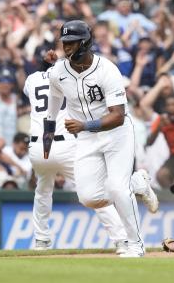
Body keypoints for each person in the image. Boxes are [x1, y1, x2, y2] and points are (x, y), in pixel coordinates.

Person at [43, 20, 155, 257]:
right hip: (86, 138)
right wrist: (48, 133)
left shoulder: (107, 70)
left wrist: (84, 125)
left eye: (71, 43)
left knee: (116, 187)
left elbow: (118, 117)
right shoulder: (58, 71)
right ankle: (136, 184)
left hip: (116, 134)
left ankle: (136, 245)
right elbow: (52, 104)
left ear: (84, 42)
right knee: (88, 197)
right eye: (64, 43)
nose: (66, 47)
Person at [25, 67, 159, 253]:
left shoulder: (33, 78)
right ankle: (123, 231)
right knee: (96, 191)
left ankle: (41, 239)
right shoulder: (69, 77)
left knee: (44, 191)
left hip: (40, 143)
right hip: (64, 142)